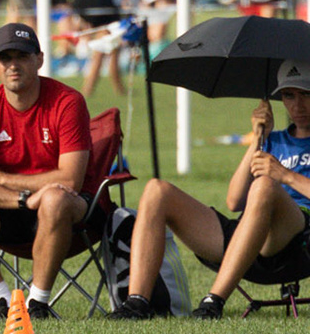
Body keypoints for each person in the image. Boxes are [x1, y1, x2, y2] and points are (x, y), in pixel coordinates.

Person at [120, 65, 310, 319]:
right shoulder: (273, 140)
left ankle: (213, 301)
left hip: (298, 239)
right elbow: (234, 201)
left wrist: (285, 175)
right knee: (157, 191)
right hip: (250, 230)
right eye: (288, 95)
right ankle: (136, 303)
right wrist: (257, 139)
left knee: (264, 185)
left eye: (305, 94)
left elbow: (269, 185)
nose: (297, 105)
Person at [0, 23, 93, 322]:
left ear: (40, 59)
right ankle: (3, 302)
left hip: (68, 214)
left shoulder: (68, 102)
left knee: (55, 199)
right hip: (5, 214)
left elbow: (70, 179)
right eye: (5, 57)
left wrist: (0, 178)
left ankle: (37, 305)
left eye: (22, 56)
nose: (13, 65)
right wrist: (23, 199)